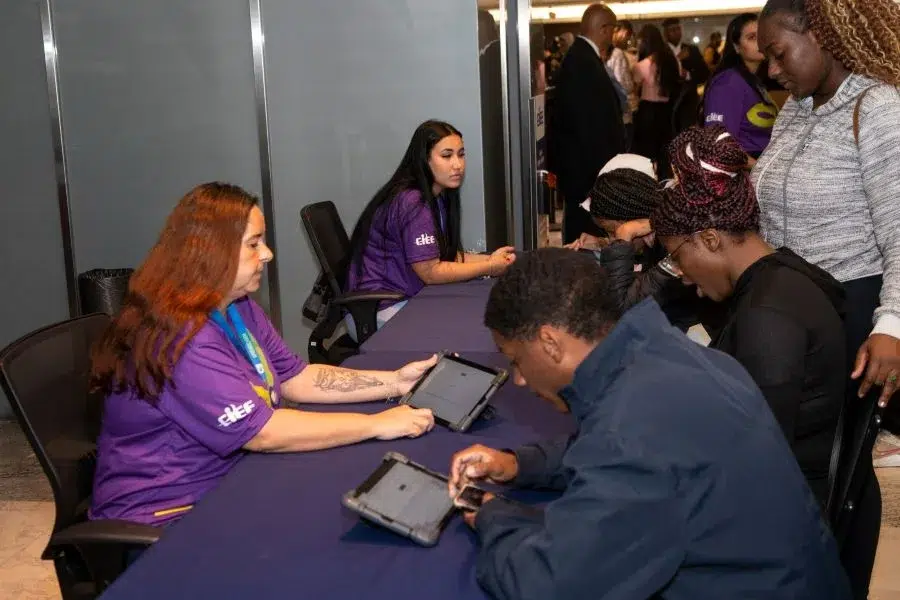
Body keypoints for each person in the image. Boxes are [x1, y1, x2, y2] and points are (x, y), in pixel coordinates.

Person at [449, 248, 850, 600]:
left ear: (550, 343)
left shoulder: (631, 433)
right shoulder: (666, 350)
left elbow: (546, 586)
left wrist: (492, 516)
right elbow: (609, 446)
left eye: (516, 360)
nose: (519, 379)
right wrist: (520, 464)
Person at [89, 183, 437, 526]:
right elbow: (263, 433)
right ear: (211, 251)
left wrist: (394, 382)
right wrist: (376, 424)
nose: (268, 254)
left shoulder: (236, 305)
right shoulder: (181, 338)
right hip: (169, 516)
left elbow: (296, 378)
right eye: (254, 244)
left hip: (231, 482)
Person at [754, 1, 900, 594]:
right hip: (795, 310)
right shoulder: (796, 107)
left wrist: (892, 325)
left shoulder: (880, 109)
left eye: (778, 53)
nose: (771, 70)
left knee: (843, 473)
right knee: (801, 465)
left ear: (821, 34)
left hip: (853, 312)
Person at [651, 125, 845, 504]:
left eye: (677, 258)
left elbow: (754, 457)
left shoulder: (767, 317)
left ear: (709, 239)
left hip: (787, 512)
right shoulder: (783, 274)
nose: (683, 275)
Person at [347, 120, 516, 333]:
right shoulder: (412, 203)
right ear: (424, 160)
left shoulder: (437, 196)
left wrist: (493, 260)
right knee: (474, 327)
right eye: (447, 156)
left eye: (461, 154)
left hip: (408, 300)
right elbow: (431, 272)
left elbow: (443, 256)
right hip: (379, 310)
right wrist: (490, 267)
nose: (458, 164)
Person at [553, 3, 626, 244]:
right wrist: (603, 173)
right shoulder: (582, 62)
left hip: (584, 171)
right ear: (604, 29)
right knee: (583, 235)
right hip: (586, 173)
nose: (613, 36)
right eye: (613, 30)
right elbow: (588, 124)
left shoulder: (582, 57)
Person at [703, 13, 778, 163]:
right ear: (737, 47)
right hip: (745, 171)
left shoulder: (753, 80)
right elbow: (720, 144)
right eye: (752, 37)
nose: (760, 41)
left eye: (762, 35)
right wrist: (760, 168)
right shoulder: (728, 83)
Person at [632, 25, 681, 179]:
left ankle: (647, 185)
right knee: (664, 153)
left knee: (646, 154)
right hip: (667, 111)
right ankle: (666, 184)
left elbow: (633, 87)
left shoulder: (642, 65)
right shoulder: (671, 61)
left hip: (647, 111)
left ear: (645, 42)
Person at [662, 17, 710, 86]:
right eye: (672, 30)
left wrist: (688, 75)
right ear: (665, 34)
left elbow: (705, 74)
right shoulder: (661, 51)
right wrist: (677, 59)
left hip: (689, 91)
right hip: (669, 92)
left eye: (678, 29)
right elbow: (660, 77)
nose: (676, 32)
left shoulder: (692, 50)